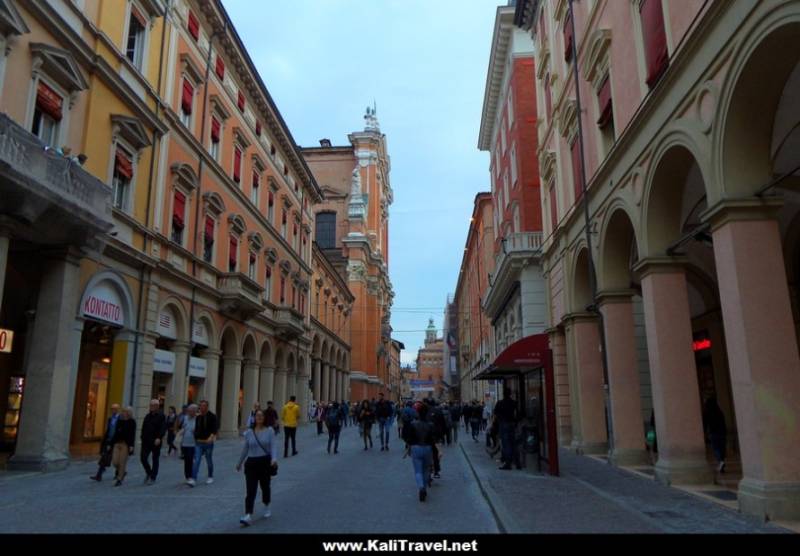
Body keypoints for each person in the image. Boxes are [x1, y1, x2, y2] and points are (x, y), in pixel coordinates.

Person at [236, 409, 279, 526]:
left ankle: (266, 504)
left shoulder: (269, 431)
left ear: (264, 418)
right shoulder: (249, 432)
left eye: (261, 416)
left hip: (264, 462)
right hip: (251, 463)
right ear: (254, 418)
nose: (259, 417)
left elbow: (273, 446)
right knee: (250, 490)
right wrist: (239, 463)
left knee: (265, 486)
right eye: (257, 416)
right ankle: (248, 514)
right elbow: (245, 448)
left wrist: (274, 459)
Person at [404, 402, 436, 502]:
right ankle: (424, 488)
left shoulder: (413, 424)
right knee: (426, 470)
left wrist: (409, 448)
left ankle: (421, 487)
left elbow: (409, 438)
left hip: (416, 448)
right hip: (427, 448)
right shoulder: (430, 425)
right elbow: (433, 439)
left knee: (418, 471)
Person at [90, 403, 121, 481]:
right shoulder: (110, 419)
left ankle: (119, 473)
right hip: (109, 440)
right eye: (111, 409)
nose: (112, 410)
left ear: (117, 410)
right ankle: (99, 475)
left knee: (116, 459)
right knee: (104, 457)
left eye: (114, 409)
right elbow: (109, 429)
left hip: (116, 441)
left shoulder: (121, 419)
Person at [140, 399, 167, 485]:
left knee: (155, 459)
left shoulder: (161, 416)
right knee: (143, 458)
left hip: (156, 441)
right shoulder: (147, 416)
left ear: (157, 406)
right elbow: (144, 427)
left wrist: (159, 438)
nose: (151, 407)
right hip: (146, 441)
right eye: (150, 405)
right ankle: (149, 472)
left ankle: (153, 476)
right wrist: (142, 437)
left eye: (153, 405)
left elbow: (163, 428)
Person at [192, 400, 218, 485]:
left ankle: (210, 476)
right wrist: (195, 437)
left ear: (207, 407)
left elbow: (214, 429)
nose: (201, 407)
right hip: (199, 442)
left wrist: (211, 437)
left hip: (208, 443)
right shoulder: (198, 417)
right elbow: (196, 428)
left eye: (203, 406)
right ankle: (193, 478)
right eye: (200, 406)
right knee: (197, 460)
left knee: (208, 460)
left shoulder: (212, 416)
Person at [495, 389, 520, 470]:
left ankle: (508, 463)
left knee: (506, 444)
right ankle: (517, 462)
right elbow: (517, 413)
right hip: (512, 424)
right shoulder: (514, 403)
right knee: (513, 443)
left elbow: (496, 413)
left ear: (504, 394)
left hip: (504, 424)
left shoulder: (500, 403)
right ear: (510, 394)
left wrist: (500, 419)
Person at [111, 407, 136, 486]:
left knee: (122, 462)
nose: (123, 413)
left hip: (125, 444)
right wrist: (110, 443)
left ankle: (119, 479)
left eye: (125, 411)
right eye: (123, 411)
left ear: (129, 413)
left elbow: (132, 434)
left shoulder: (132, 422)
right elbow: (116, 432)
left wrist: (131, 445)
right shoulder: (120, 421)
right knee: (115, 462)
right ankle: (122, 472)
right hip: (117, 443)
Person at [703, 395, 728, 473]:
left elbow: (705, 423)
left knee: (716, 448)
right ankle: (722, 462)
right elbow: (723, 422)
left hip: (713, 433)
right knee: (722, 448)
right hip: (722, 432)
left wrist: (704, 433)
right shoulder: (719, 411)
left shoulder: (707, 412)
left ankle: (720, 461)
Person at [179, 404, 198, 485]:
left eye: (190, 411)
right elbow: (183, 426)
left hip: (194, 443)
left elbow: (202, 430)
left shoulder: (198, 419)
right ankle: (187, 476)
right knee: (187, 460)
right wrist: (182, 431)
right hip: (184, 443)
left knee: (191, 459)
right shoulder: (185, 418)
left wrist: (196, 431)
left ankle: (191, 476)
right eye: (188, 411)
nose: (188, 412)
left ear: (194, 411)